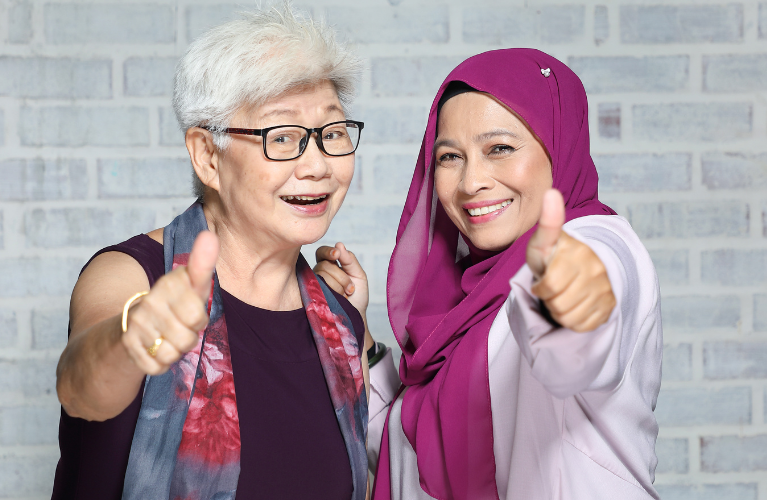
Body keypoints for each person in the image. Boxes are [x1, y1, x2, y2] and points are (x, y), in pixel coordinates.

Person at [51, 6, 372, 500]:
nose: (318, 164)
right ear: (207, 155)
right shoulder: (133, 276)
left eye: (332, 134)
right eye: (282, 136)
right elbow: (82, 388)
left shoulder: (341, 325)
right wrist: (133, 339)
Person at [318, 49, 663, 499]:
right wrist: (357, 334)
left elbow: (576, 346)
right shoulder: (464, 301)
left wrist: (568, 305)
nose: (470, 181)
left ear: (558, 144)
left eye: (499, 148)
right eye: (449, 157)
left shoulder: (598, 245)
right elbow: (411, 458)